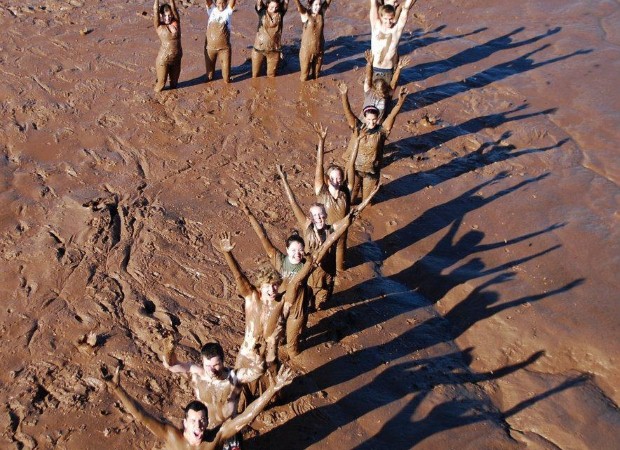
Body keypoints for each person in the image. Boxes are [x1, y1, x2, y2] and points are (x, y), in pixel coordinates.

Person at [237, 194, 369, 355]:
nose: (297, 254)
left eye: (300, 250)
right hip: (279, 307)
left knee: (293, 348)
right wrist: (250, 215)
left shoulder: (308, 265)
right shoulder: (279, 260)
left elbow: (329, 240)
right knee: (277, 341)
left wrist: (349, 219)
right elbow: (263, 236)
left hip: (297, 312)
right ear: (286, 250)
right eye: (293, 250)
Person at [104, 365, 293, 449]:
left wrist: (273, 389)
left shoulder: (215, 437)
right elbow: (141, 416)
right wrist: (117, 389)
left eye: (202, 421)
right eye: (194, 421)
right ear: (185, 422)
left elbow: (246, 417)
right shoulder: (171, 436)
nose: (199, 426)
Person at [277, 163, 380, 310]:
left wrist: (369, 197)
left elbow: (352, 215)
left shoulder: (332, 228)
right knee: (305, 305)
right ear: (310, 216)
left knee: (321, 305)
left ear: (325, 215)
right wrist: (284, 180)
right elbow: (293, 202)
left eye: (321, 214)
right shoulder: (306, 226)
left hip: (327, 274)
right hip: (309, 274)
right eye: (315, 215)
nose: (318, 217)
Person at [163, 341, 263, 429]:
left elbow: (257, 372)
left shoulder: (234, 377)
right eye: (207, 365)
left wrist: (258, 358)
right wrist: (168, 350)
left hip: (228, 431)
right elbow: (171, 366)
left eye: (215, 365)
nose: (211, 370)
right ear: (202, 361)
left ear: (223, 361)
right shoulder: (198, 375)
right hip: (205, 430)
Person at [339, 81, 407, 202]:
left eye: (374, 120)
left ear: (377, 119)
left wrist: (400, 101)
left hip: (372, 171)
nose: (371, 122)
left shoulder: (382, 131)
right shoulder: (357, 127)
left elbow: (392, 115)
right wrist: (344, 95)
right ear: (364, 117)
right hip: (354, 168)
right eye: (369, 119)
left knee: (367, 201)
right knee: (350, 198)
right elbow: (348, 111)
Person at [313, 123, 359, 272]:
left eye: (339, 178)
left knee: (340, 270)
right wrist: (321, 142)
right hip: (324, 236)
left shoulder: (346, 191)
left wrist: (357, 142)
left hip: (341, 238)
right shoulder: (321, 191)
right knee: (322, 268)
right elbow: (319, 166)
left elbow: (351, 164)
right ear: (327, 179)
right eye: (333, 178)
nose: (336, 181)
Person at [369, 0, 417, 85]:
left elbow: (405, 10)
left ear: (394, 17)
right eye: (385, 19)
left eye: (391, 19)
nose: (388, 22)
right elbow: (373, 5)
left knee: (387, 95)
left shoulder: (397, 30)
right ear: (380, 17)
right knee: (371, 94)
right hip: (374, 67)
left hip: (388, 70)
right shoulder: (375, 25)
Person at [292, 0, 333, 81]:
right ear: (311, 5)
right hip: (306, 51)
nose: (318, 7)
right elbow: (299, 6)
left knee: (316, 76)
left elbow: (328, 1)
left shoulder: (321, 13)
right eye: (316, 4)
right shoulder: (305, 14)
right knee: (304, 77)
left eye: (319, 4)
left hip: (319, 50)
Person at [363, 49, 410, 119]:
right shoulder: (368, 91)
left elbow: (393, 83)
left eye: (382, 92)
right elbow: (368, 77)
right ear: (373, 88)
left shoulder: (387, 93)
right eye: (378, 92)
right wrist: (369, 64)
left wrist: (399, 68)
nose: (381, 95)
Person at [252, 0, 289, 78]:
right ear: (267, 4)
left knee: (271, 76)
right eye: (272, 7)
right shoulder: (261, 11)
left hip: (274, 51)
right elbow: (259, 2)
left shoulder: (280, 13)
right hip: (258, 49)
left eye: (276, 7)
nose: (274, 9)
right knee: (255, 75)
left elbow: (286, 2)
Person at [204, 0, 237, 83]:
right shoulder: (212, 10)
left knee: (226, 79)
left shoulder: (228, 11)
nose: (221, 5)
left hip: (224, 49)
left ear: (226, 2)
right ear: (215, 3)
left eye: (223, 3)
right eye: (219, 3)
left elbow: (233, 2)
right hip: (210, 48)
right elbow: (207, 1)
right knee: (209, 77)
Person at [154, 0, 182, 92]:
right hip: (163, 60)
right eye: (165, 16)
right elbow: (155, 11)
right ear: (161, 15)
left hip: (176, 59)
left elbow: (174, 8)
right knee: (161, 84)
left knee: (174, 85)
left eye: (169, 15)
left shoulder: (176, 22)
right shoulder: (159, 26)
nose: (167, 18)